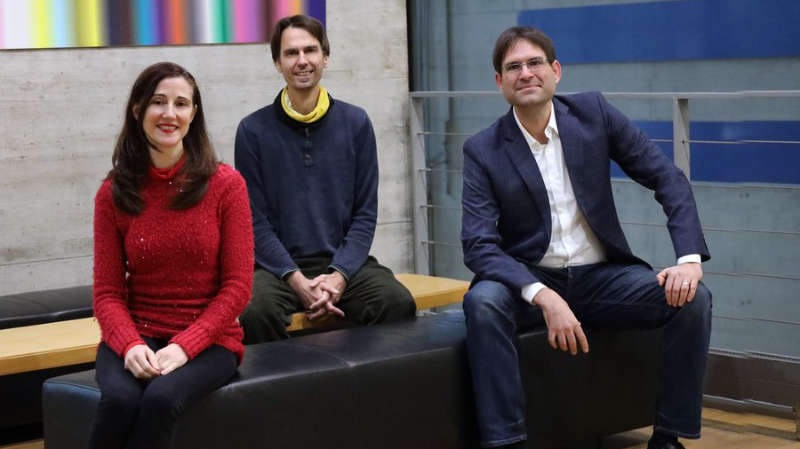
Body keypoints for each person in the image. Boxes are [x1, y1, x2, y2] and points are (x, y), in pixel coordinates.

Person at [460, 26, 712, 449]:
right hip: (529, 277)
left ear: (556, 71)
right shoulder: (483, 149)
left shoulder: (593, 113)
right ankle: (506, 442)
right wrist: (542, 294)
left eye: (535, 63)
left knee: (693, 299)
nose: (526, 73)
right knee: (482, 302)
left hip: (601, 278)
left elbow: (666, 177)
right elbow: (478, 244)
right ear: (499, 83)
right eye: (513, 67)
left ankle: (668, 436)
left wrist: (688, 257)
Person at [89, 62, 254, 449]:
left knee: (161, 398)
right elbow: (107, 294)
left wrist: (186, 345)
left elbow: (238, 286)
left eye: (181, 104)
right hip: (137, 335)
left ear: (193, 115)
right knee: (119, 399)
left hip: (211, 341)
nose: (170, 114)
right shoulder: (113, 192)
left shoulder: (226, 185)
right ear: (138, 110)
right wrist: (130, 345)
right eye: (158, 102)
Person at [234, 14, 415, 343]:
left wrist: (339, 275)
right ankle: (281, 394)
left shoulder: (356, 123)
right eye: (291, 53)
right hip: (276, 270)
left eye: (310, 51)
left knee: (395, 301)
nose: (302, 61)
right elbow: (253, 221)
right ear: (277, 63)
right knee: (254, 312)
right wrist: (296, 279)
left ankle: (363, 390)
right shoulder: (252, 130)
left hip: (344, 265)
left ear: (325, 57)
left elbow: (365, 213)